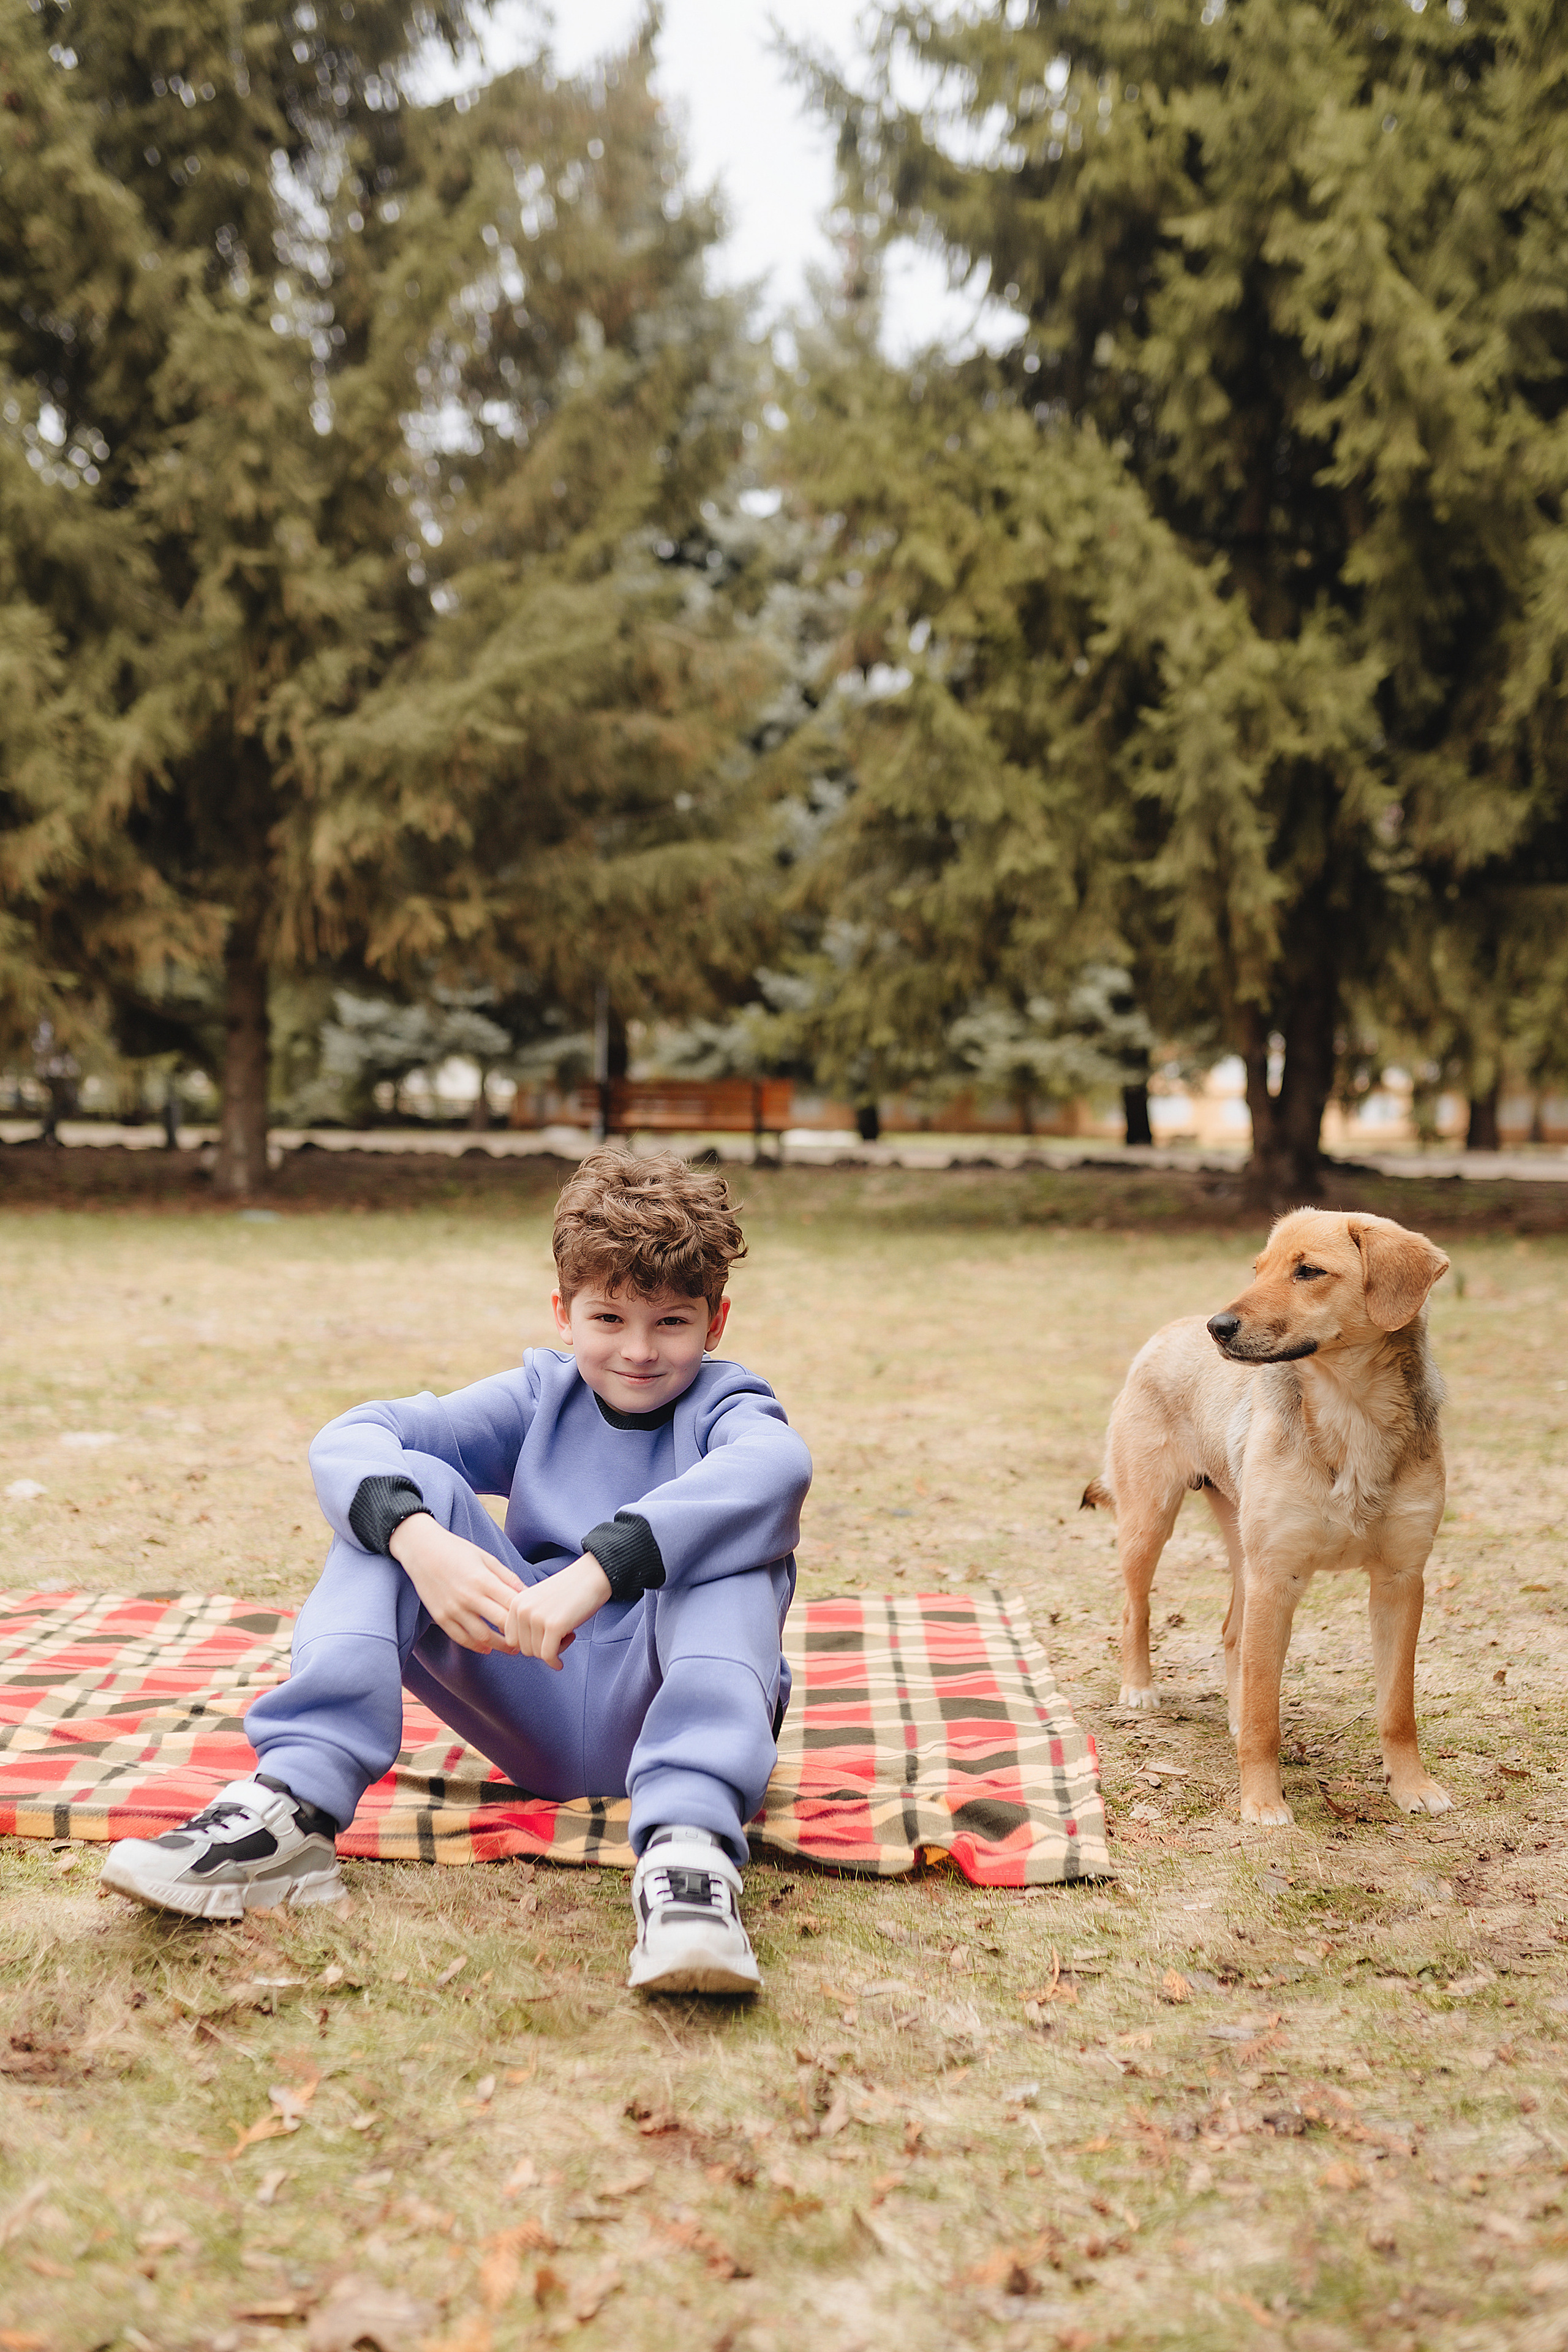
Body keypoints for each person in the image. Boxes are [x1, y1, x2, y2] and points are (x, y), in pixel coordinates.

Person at [102, 1148, 812, 1996]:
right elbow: (351, 1436)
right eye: (609, 1319)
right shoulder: (539, 1398)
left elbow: (776, 1468)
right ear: (563, 1313)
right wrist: (416, 1540)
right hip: (528, 1689)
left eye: (671, 1323)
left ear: (716, 1322)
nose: (638, 1351)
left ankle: (690, 1865)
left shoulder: (729, 1407)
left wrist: (601, 1568)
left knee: (735, 1535)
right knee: (410, 1491)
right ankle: (295, 1808)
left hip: (667, 1699)